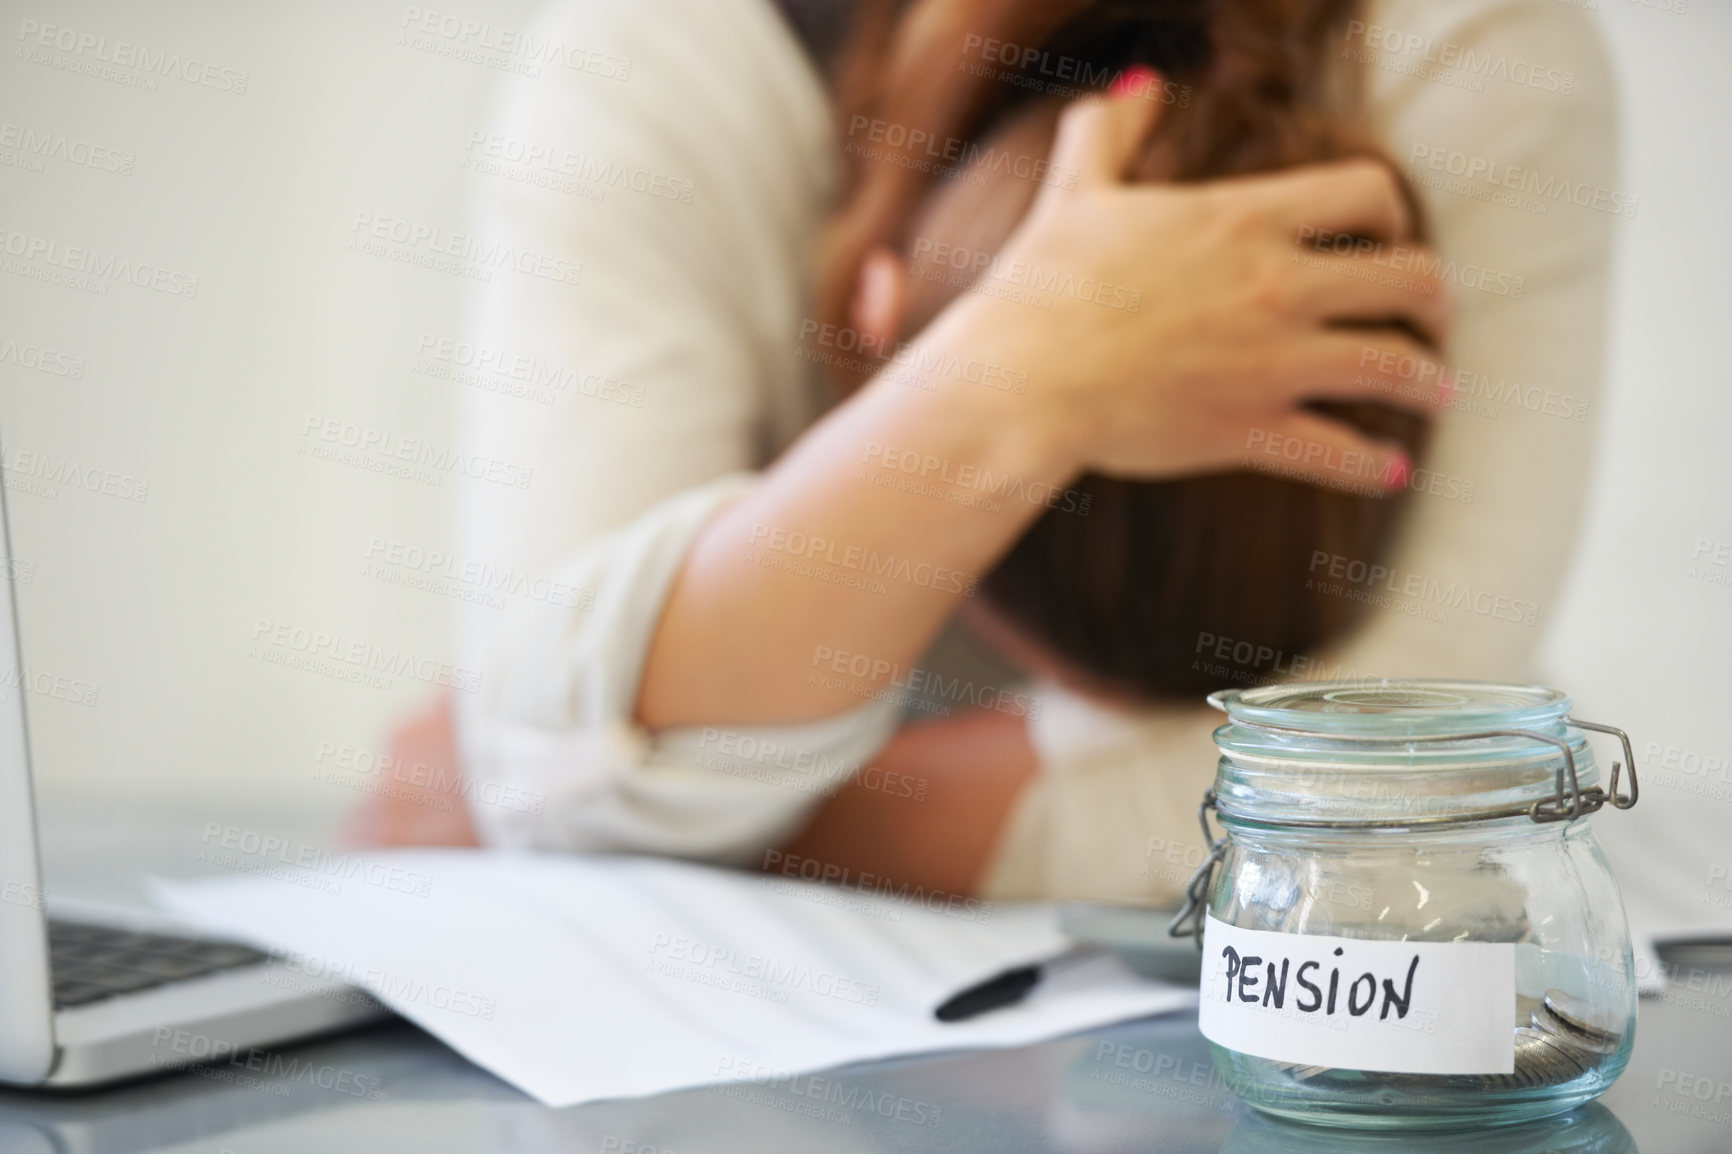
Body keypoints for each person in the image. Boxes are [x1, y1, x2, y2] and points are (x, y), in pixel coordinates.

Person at [348, 0, 1616, 906]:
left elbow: (1418, 746)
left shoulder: (1474, 49)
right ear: (872, 311)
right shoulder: (654, 73)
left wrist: (693, 814)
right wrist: (1020, 380)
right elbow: (550, 755)